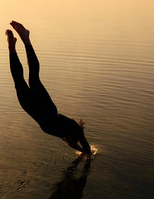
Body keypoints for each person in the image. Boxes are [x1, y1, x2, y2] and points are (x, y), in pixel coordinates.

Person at [6, 21, 91, 155]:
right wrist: (87, 154)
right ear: (76, 137)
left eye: (70, 143)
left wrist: (81, 152)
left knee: (19, 81)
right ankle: (26, 38)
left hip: (30, 107)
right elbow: (86, 149)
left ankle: (11, 48)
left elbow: (76, 146)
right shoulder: (77, 132)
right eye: (72, 142)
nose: (69, 143)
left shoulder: (65, 136)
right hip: (46, 107)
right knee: (33, 77)